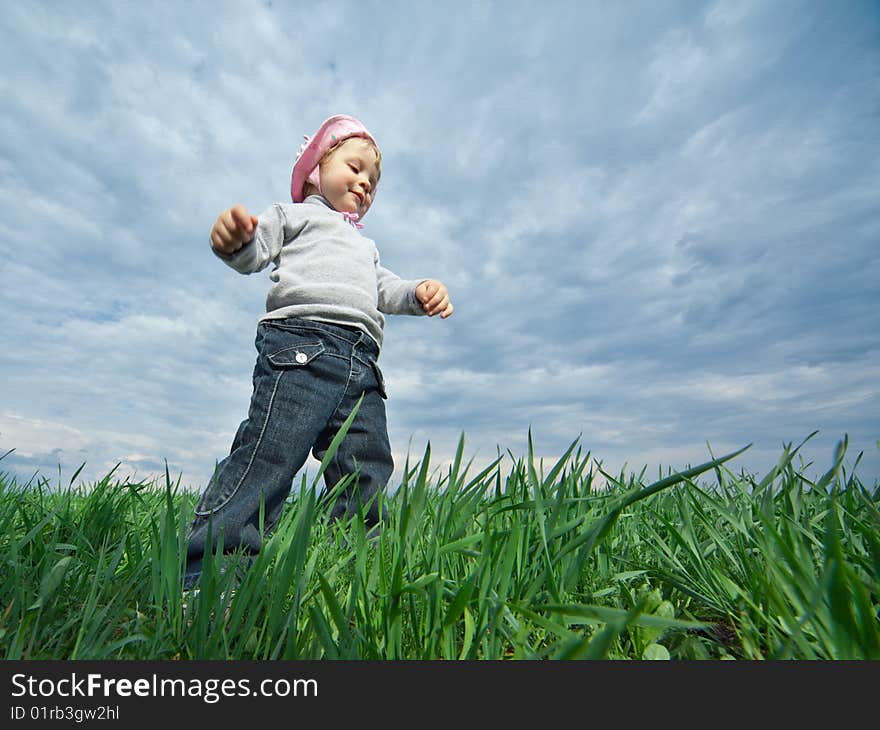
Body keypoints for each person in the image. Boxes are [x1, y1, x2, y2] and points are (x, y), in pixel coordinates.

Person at [183, 114, 453, 588]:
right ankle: (212, 578)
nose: (365, 182)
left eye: (373, 180)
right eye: (355, 167)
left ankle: (352, 574)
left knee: (365, 466)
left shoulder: (363, 246)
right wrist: (235, 241)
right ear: (316, 168)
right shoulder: (296, 216)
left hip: (362, 365)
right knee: (269, 453)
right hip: (300, 347)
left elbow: (384, 288)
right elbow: (253, 251)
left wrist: (419, 293)